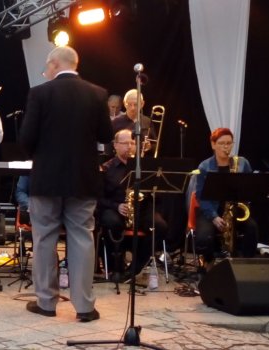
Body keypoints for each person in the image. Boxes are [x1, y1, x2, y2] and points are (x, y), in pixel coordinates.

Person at [20, 46, 112, 322]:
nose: (45, 71)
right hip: (83, 179)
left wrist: (40, 153)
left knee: (45, 237)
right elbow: (106, 134)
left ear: (55, 63)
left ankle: (46, 303)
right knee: (82, 237)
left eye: (47, 66)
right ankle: (84, 307)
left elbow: (26, 139)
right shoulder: (97, 94)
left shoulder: (40, 93)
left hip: (47, 178)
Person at [97, 129, 168, 280]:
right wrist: (117, 206)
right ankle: (116, 267)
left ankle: (136, 267)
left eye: (132, 143)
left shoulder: (144, 167)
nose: (129, 146)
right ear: (115, 145)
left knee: (159, 226)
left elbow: (157, 193)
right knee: (111, 221)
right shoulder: (106, 168)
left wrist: (154, 190)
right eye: (125, 143)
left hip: (141, 209)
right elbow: (98, 198)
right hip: (116, 208)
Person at [193, 128, 258, 270]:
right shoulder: (204, 167)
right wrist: (214, 217)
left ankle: (246, 266)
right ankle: (207, 265)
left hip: (235, 209)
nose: (226, 147)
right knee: (205, 238)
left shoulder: (241, 163)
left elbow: (251, 186)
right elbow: (200, 196)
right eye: (222, 143)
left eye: (229, 143)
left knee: (251, 228)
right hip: (210, 210)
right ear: (213, 145)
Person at [111, 89, 156, 156]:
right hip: (121, 163)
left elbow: (155, 145)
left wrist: (149, 147)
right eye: (129, 104)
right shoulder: (115, 122)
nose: (132, 108)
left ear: (142, 104)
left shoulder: (147, 121)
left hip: (143, 162)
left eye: (135, 104)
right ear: (124, 104)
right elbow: (108, 146)